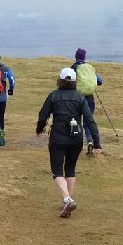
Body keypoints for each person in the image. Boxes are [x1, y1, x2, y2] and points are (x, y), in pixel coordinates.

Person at [36, 67, 102, 218]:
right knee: (70, 169)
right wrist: (97, 143)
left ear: (59, 80)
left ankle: (67, 199)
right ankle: (68, 201)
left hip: (58, 138)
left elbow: (43, 115)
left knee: (57, 171)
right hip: (76, 138)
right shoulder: (80, 97)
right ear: (74, 82)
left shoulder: (53, 95)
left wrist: (39, 129)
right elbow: (90, 120)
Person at [71, 48, 102, 155]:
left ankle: (75, 142)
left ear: (76, 57)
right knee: (88, 122)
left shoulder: (74, 68)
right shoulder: (89, 68)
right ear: (84, 57)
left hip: (77, 99)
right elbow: (99, 81)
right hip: (90, 98)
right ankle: (90, 141)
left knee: (75, 120)